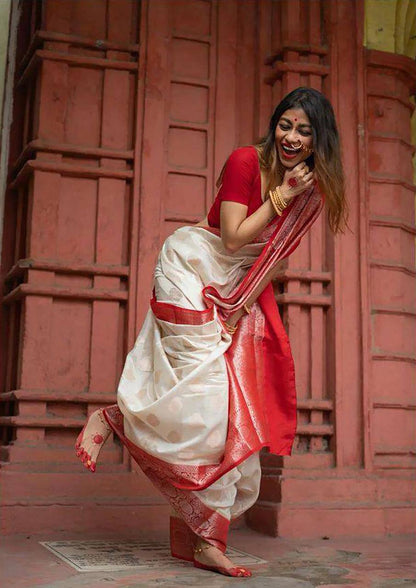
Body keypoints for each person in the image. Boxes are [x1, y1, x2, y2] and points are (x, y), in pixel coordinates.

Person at [75, 87, 347, 578]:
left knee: (222, 407)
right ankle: (114, 418)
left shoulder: (312, 193)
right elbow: (233, 237)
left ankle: (199, 539)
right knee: (203, 388)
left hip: (234, 285)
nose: (292, 137)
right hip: (187, 267)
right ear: (274, 125)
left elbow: (273, 260)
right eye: (286, 124)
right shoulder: (247, 161)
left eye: (305, 131)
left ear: (317, 141)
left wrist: (241, 307)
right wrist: (282, 194)